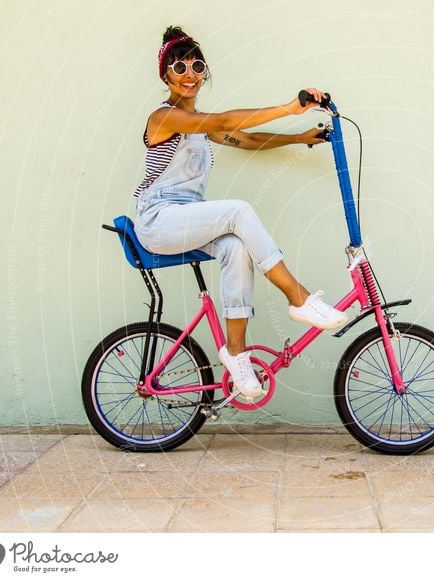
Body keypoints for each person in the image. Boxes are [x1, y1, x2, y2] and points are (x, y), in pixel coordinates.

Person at [133, 26, 348, 398]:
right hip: (157, 219)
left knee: (234, 245)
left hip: (186, 219)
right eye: (179, 67)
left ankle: (236, 355)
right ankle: (299, 298)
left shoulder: (199, 127)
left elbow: (244, 139)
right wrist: (288, 108)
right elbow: (224, 122)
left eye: (197, 66)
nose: (190, 75)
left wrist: (298, 137)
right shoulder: (163, 117)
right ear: (164, 75)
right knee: (238, 210)